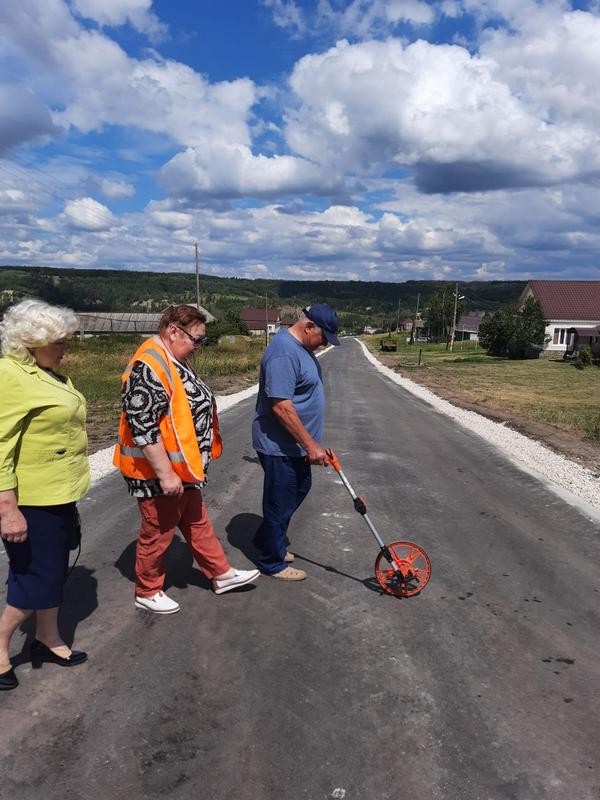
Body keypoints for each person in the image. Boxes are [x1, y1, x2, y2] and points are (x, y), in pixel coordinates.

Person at [114, 304, 258, 614]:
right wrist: (166, 474)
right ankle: (148, 590)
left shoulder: (171, 357)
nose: (199, 346)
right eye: (197, 340)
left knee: (196, 521)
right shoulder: (148, 366)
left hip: (181, 467)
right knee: (158, 529)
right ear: (173, 331)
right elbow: (143, 428)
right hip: (156, 471)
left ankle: (221, 574)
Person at [0, 299, 90, 692]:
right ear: (30, 342)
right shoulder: (10, 375)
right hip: (31, 500)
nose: (65, 348)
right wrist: (8, 510)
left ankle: (47, 638)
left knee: (52, 571)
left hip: (57, 493)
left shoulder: (46, 372)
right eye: (57, 341)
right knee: (34, 576)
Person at [252, 304, 340, 580]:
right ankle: (271, 562)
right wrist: (311, 445)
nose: (324, 342)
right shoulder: (284, 353)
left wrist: (311, 442)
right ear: (309, 326)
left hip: (295, 444)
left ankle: (269, 539)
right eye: (323, 336)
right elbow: (281, 407)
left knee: (298, 488)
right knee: (281, 499)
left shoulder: (300, 348)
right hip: (279, 444)